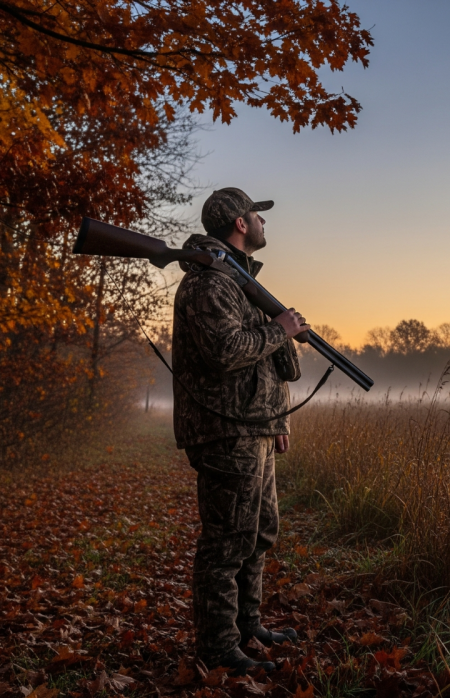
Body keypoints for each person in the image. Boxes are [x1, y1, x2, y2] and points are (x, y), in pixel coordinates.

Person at [172, 188, 309, 675]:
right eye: (258, 215)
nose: (264, 222)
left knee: (258, 532)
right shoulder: (210, 284)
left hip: (256, 428)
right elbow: (227, 353)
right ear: (239, 223)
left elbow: (279, 370)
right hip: (225, 431)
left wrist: (278, 419)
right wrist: (280, 330)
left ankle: (248, 626)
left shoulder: (242, 284)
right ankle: (217, 647)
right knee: (227, 541)